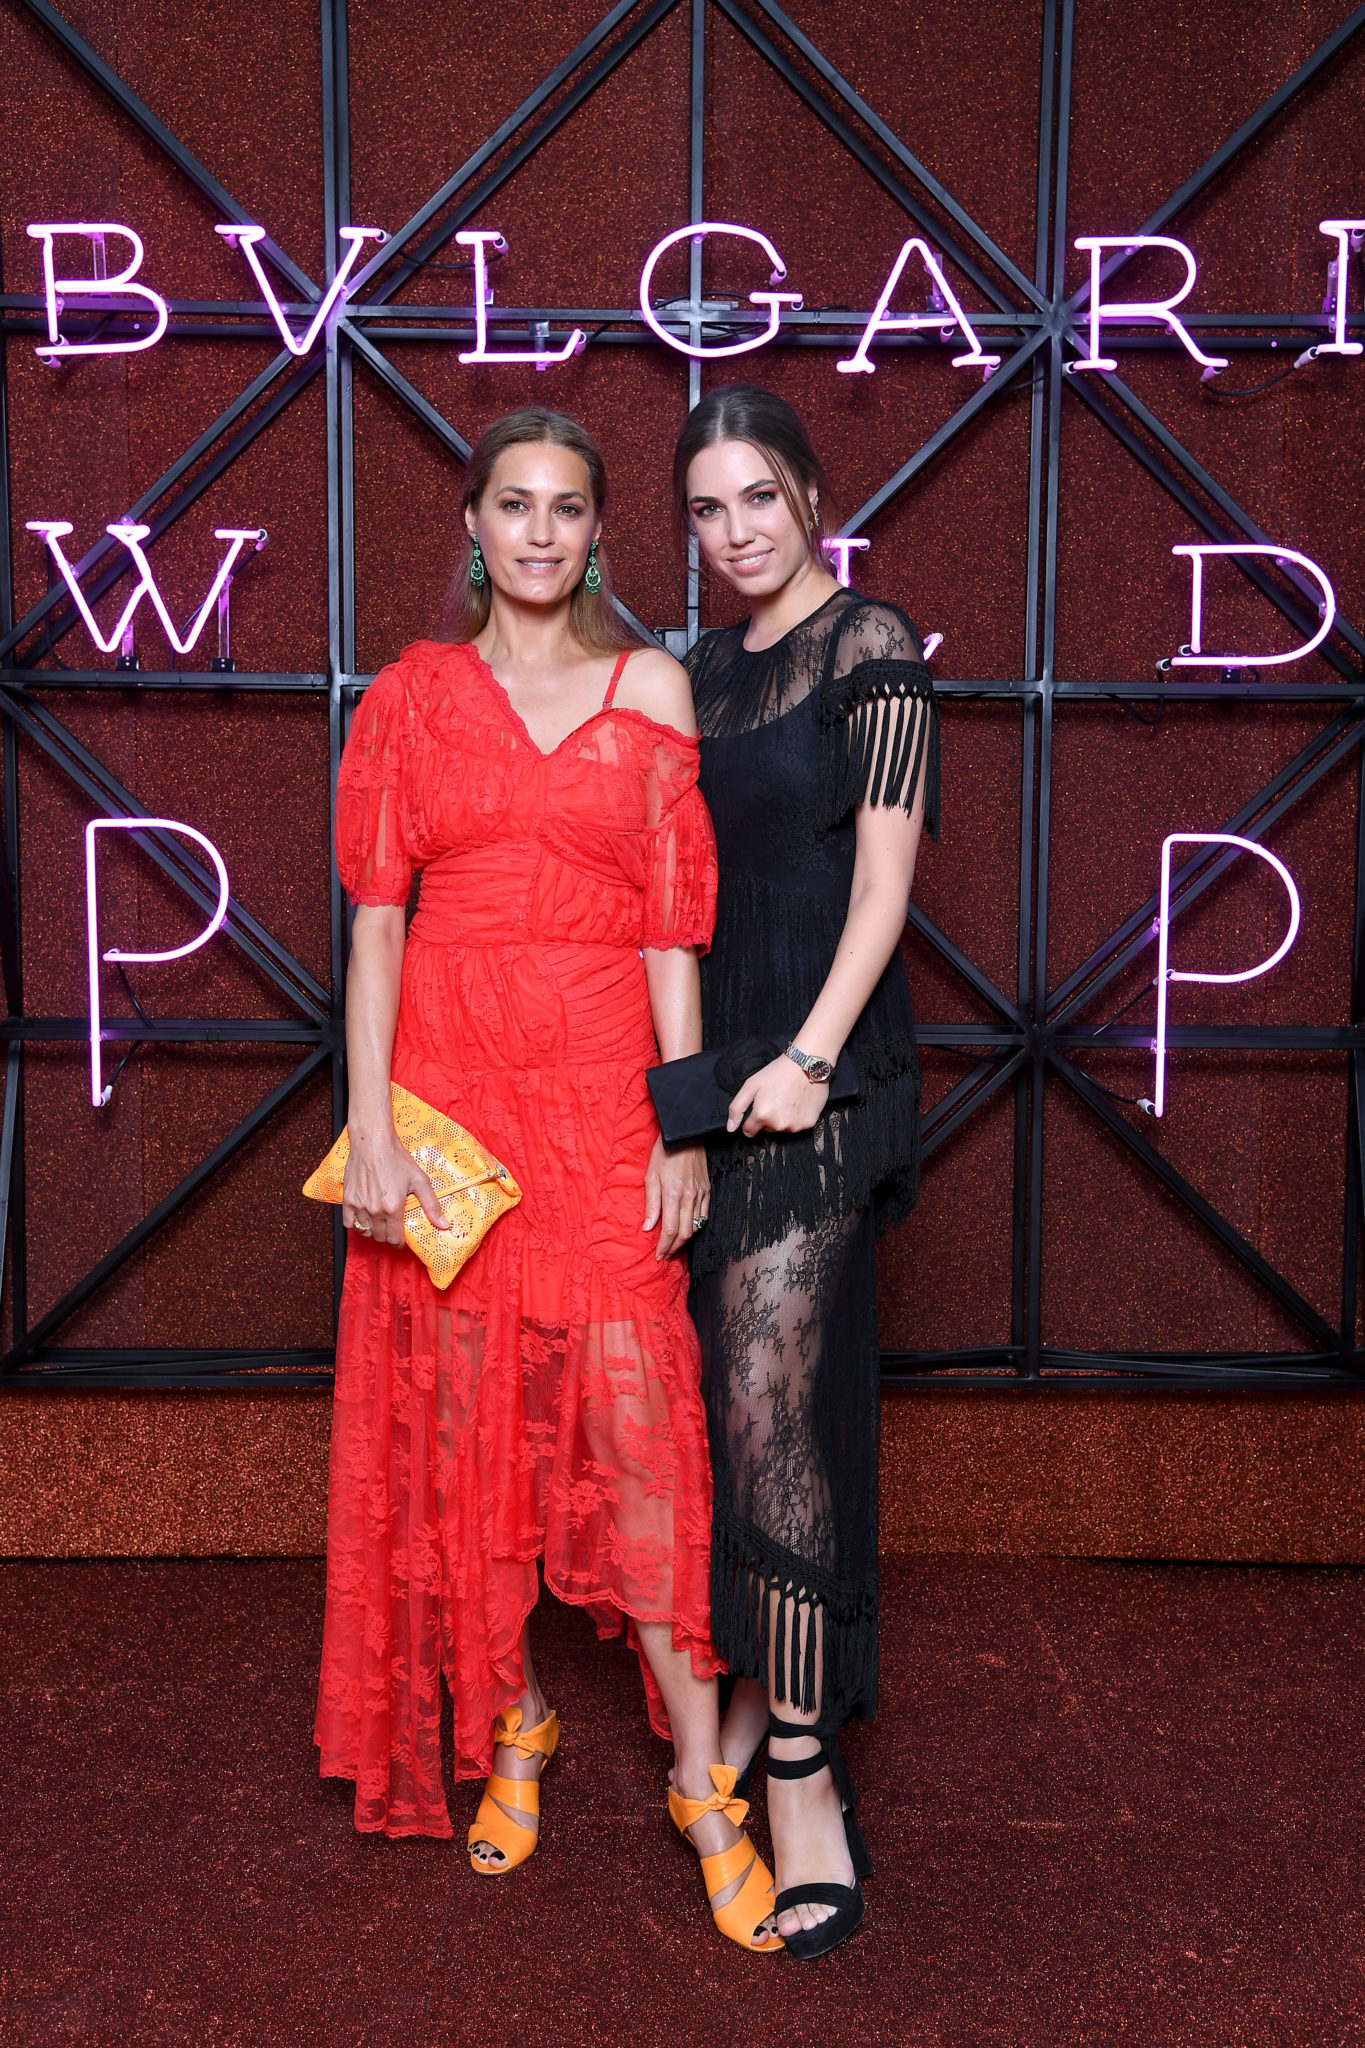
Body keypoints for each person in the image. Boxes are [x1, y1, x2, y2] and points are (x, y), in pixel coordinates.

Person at [315, 405, 782, 1953]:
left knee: (640, 1439)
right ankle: (513, 1722)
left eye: (565, 508)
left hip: (599, 1106)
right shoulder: (409, 696)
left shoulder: (649, 685)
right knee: (468, 1437)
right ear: (470, 522)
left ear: (595, 534)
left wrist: (683, 1128)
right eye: (511, 504)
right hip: (450, 1112)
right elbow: (377, 924)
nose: (537, 531)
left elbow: (672, 930)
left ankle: (704, 1792)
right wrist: (374, 1130)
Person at [674, 383, 940, 1959]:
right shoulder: (700, 671)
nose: (736, 533)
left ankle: (797, 1767)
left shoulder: (871, 647)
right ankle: (751, 1699)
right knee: (720, 1402)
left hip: (823, 1076)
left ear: (812, 494)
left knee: (769, 1400)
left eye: (758, 497)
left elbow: (884, 889)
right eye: (707, 509)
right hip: (713, 1076)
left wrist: (812, 1060)